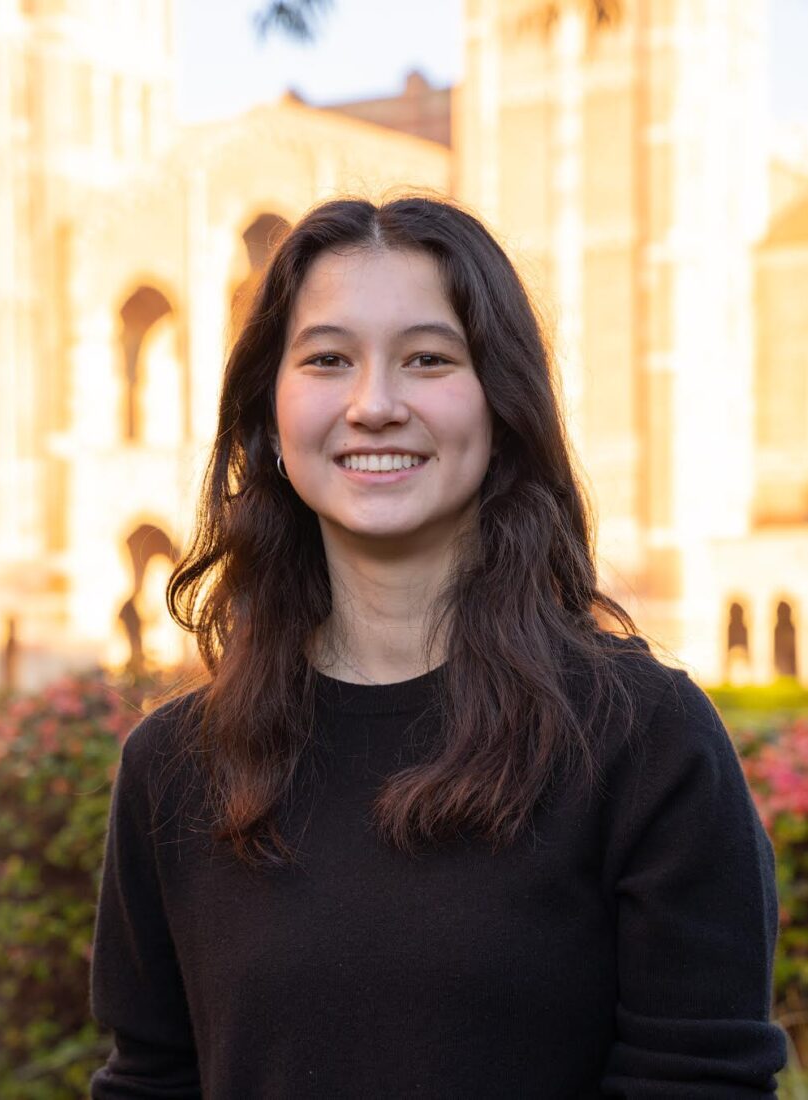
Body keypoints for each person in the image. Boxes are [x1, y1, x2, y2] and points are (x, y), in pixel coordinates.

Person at [89, 195, 787, 1098]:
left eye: (427, 360)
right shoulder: (172, 771)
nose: (373, 405)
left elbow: (701, 1084)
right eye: (327, 359)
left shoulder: (643, 743)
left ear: (501, 403)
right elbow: (151, 1081)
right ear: (269, 413)